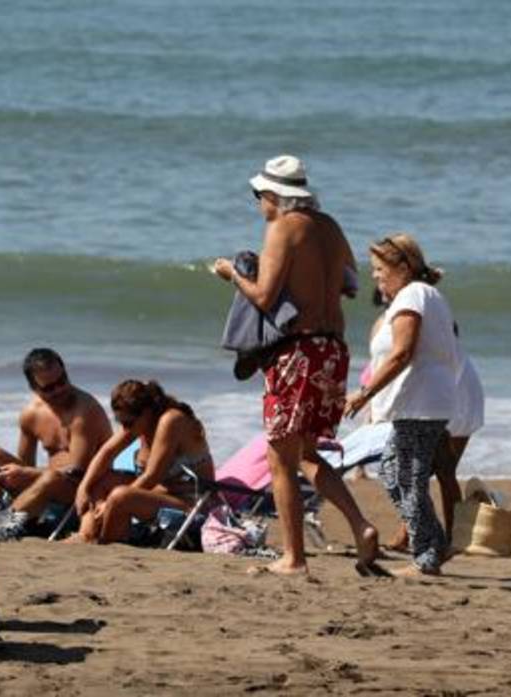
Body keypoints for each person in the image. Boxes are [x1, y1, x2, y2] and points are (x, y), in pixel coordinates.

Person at [211, 154, 380, 576]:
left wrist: (232, 273)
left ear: (274, 196)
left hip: (298, 352)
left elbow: (265, 297)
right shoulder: (330, 226)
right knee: (306, 453)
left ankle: (294, 558)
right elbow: (350, 282)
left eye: (258, 196)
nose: (257, 204)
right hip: (332, 349)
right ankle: (361, 527)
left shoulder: (281, 228)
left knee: (279, 459)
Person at [344, 233, 460, 575]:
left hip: (422, 403)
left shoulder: (412, 296)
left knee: (404, 476)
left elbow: (402, 353)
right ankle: (432, 548)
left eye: (381, 268)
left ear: (404, 268)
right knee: (398, 473)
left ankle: (428, 556)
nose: (375, 275)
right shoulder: (420, 295)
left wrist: (364, 393)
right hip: (424, 401)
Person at [0, 348, 112, 524]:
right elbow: (25, 463)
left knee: (51, 478)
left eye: (62, 381)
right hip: (46, 486)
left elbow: (78, 471)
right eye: (49, 388)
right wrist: (18, 474)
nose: (59, 390)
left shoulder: (84, 412)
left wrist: (26, 473)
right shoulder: (31, 414)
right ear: (34, 388)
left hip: (83, 489)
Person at [71, 380, 213, 544]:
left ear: (147, 412)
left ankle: (105, 545)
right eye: (120, 423)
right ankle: (86, 536)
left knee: (120, 496)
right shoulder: (139, 424)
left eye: (128, 423)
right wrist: (84, 487)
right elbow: (106, 452)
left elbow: (153, 475)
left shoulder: (171, 420)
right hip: (160, 495)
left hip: (191, 503)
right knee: (100, 482)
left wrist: (109, 504)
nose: (125, 429)